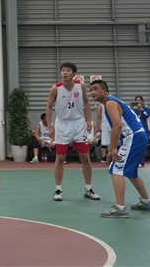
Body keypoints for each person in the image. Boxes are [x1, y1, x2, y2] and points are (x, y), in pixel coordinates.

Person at [90, 80, 150, 218]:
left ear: (104, 90)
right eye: (91, 90)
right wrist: (112, 147)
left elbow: (117, 126)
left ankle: (120, 208)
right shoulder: (111, 102)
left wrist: (113, 148)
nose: (92, 92)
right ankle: (146, 202)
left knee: (116, 169)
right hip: (138, 136)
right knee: (132, 172)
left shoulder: (110, 102)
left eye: (95, 89)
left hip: (133, 137)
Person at [45, 62, 100, 202]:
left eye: (68, 70)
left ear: (74, 73)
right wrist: (50, 126)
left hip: (78, 124)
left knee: (85, 157)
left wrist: (89, 119)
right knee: (60, 158)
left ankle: (88, 189)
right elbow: (49, 107)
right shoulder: (55, 89)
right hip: (62, 124)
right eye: (63, 70)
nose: (64, 72)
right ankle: (58, 189)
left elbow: (86, 102)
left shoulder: (80, 86)